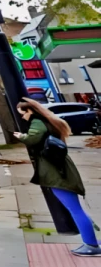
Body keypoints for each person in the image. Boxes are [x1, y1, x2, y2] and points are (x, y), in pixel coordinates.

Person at [16, 98, 101, 257]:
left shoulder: (37, 122)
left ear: (30, 111)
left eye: (23, 113)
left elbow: (33, 138)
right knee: (75, 208)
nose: (22, 117)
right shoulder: (47, 120)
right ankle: (92, 241)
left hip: (57, 172)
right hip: (59, 168)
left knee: (75, 209)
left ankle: (91, 245)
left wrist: (21, 136)